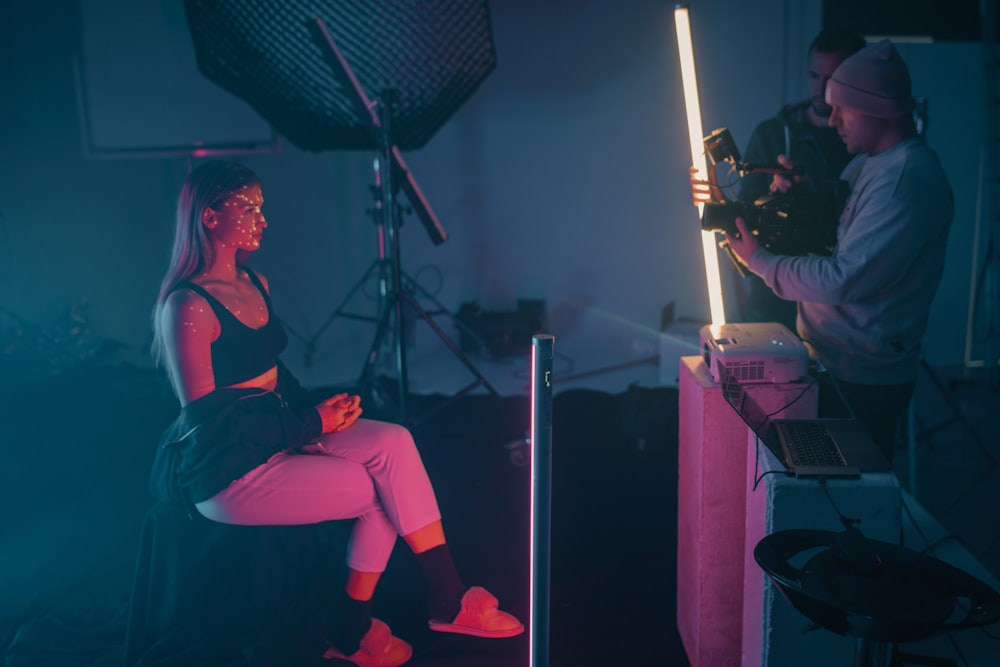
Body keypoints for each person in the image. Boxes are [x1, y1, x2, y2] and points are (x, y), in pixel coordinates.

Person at [149, 160, 523, 667]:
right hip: (227, 470)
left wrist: (321, 407)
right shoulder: (187, 307)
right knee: (379, 495)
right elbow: (208, 429)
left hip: (278, 431)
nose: (263, 220)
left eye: (263, 207)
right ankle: (353, 628)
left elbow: (273, 375)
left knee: (394, 442)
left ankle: (449, 598)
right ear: (210, 216)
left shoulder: (254, 282)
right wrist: (312, 423)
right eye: (249, 208)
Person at [724, 39, 954, 463]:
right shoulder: (870, 164)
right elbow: (846, 226)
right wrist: (806, 195)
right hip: (835, 363)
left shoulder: (905, 183)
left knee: (852, 498)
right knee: (824, 484)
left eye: (841, 109)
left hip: (861, 380)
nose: (832, 122)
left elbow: (845, 277)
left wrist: (759, 261)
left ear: (874, 108)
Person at [732, 26, 866, 331]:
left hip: (839, 308)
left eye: (832, 79)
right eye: (814, 77)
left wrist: (813, 194)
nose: (820, 89)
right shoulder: (771, 135)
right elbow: (744, 212)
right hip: (772, 301)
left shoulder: (862, 142)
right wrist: (772, 199)